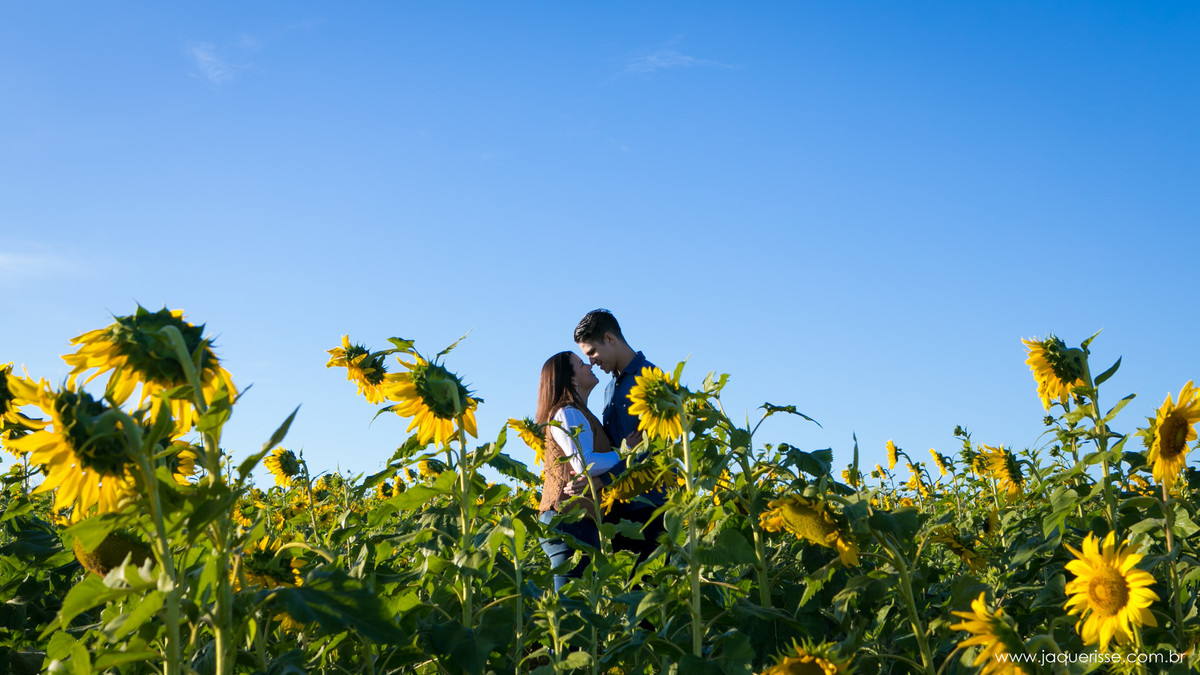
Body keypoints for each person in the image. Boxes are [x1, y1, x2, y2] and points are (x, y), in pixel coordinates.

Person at [573, 308, 667, 561]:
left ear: (610, 339)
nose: (591, 361)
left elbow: (655, 448)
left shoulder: (650, 377)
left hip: (650, 506)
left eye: (592, 352)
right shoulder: (609, 389)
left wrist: (602, 481)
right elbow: (619, 447)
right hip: (617, 508)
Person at [536, 351, 622, 592]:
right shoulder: (568, 412)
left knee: (578, 602)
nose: (589, 365)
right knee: (571, 607)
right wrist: (627, 454)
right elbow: (584, 464)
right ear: (570, 379)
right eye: (581, 364)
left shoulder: (578, 412)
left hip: (574, 520)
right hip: (568, 520)